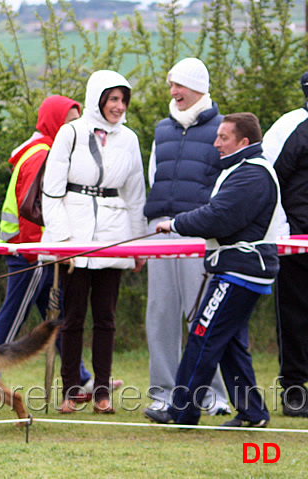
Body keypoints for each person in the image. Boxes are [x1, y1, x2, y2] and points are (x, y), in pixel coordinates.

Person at [144, 112, 282, 428]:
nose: (216, 143)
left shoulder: (251, 174)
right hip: (239, 270)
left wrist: (175, 224)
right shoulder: (242, 170)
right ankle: (253, 412)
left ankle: (181, 411)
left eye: (223, 137)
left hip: (241, 272)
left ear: (243, 142)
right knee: (229, 344)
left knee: (202, 336)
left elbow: (218, 217)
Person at [41, 70, 146, 414]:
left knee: (106, 318)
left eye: (122, 99)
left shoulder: (129, 139)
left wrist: (136, 245)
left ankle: (102, 392)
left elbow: (135, 194)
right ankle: (71, 390)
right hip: (74, 233)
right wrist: (62, 240)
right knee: (71, 317)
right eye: (112, 98)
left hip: (114, 236)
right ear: (97, 98)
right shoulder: (70, 133)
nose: (118, 106)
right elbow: (52, 191)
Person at [0, 95, 103, 402]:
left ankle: (79, 379)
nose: (74, 129)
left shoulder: (44, 149)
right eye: (69, 122)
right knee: (14, 315)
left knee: (58, 318)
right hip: (29, 252)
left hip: (36, 251)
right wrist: (39, 253)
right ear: (54, 122)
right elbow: (32, 211)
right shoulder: (43, 154)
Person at [143, 57, 231, 416]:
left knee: (202, 312)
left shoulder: (222, 129)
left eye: (179, 85)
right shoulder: (162, 128)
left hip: (200, 233)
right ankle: (162, 391)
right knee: (161, 312)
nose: (173, 92)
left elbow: (227, 185)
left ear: (198, 88)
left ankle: (213, 393)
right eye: (171, 86)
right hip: (160, 231)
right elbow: (153, 177)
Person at [262, 71, 308, 417]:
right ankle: (294, 391)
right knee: (293, 313)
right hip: (296, 240)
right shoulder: (293, 126)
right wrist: (281, 230)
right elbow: (270, 180)